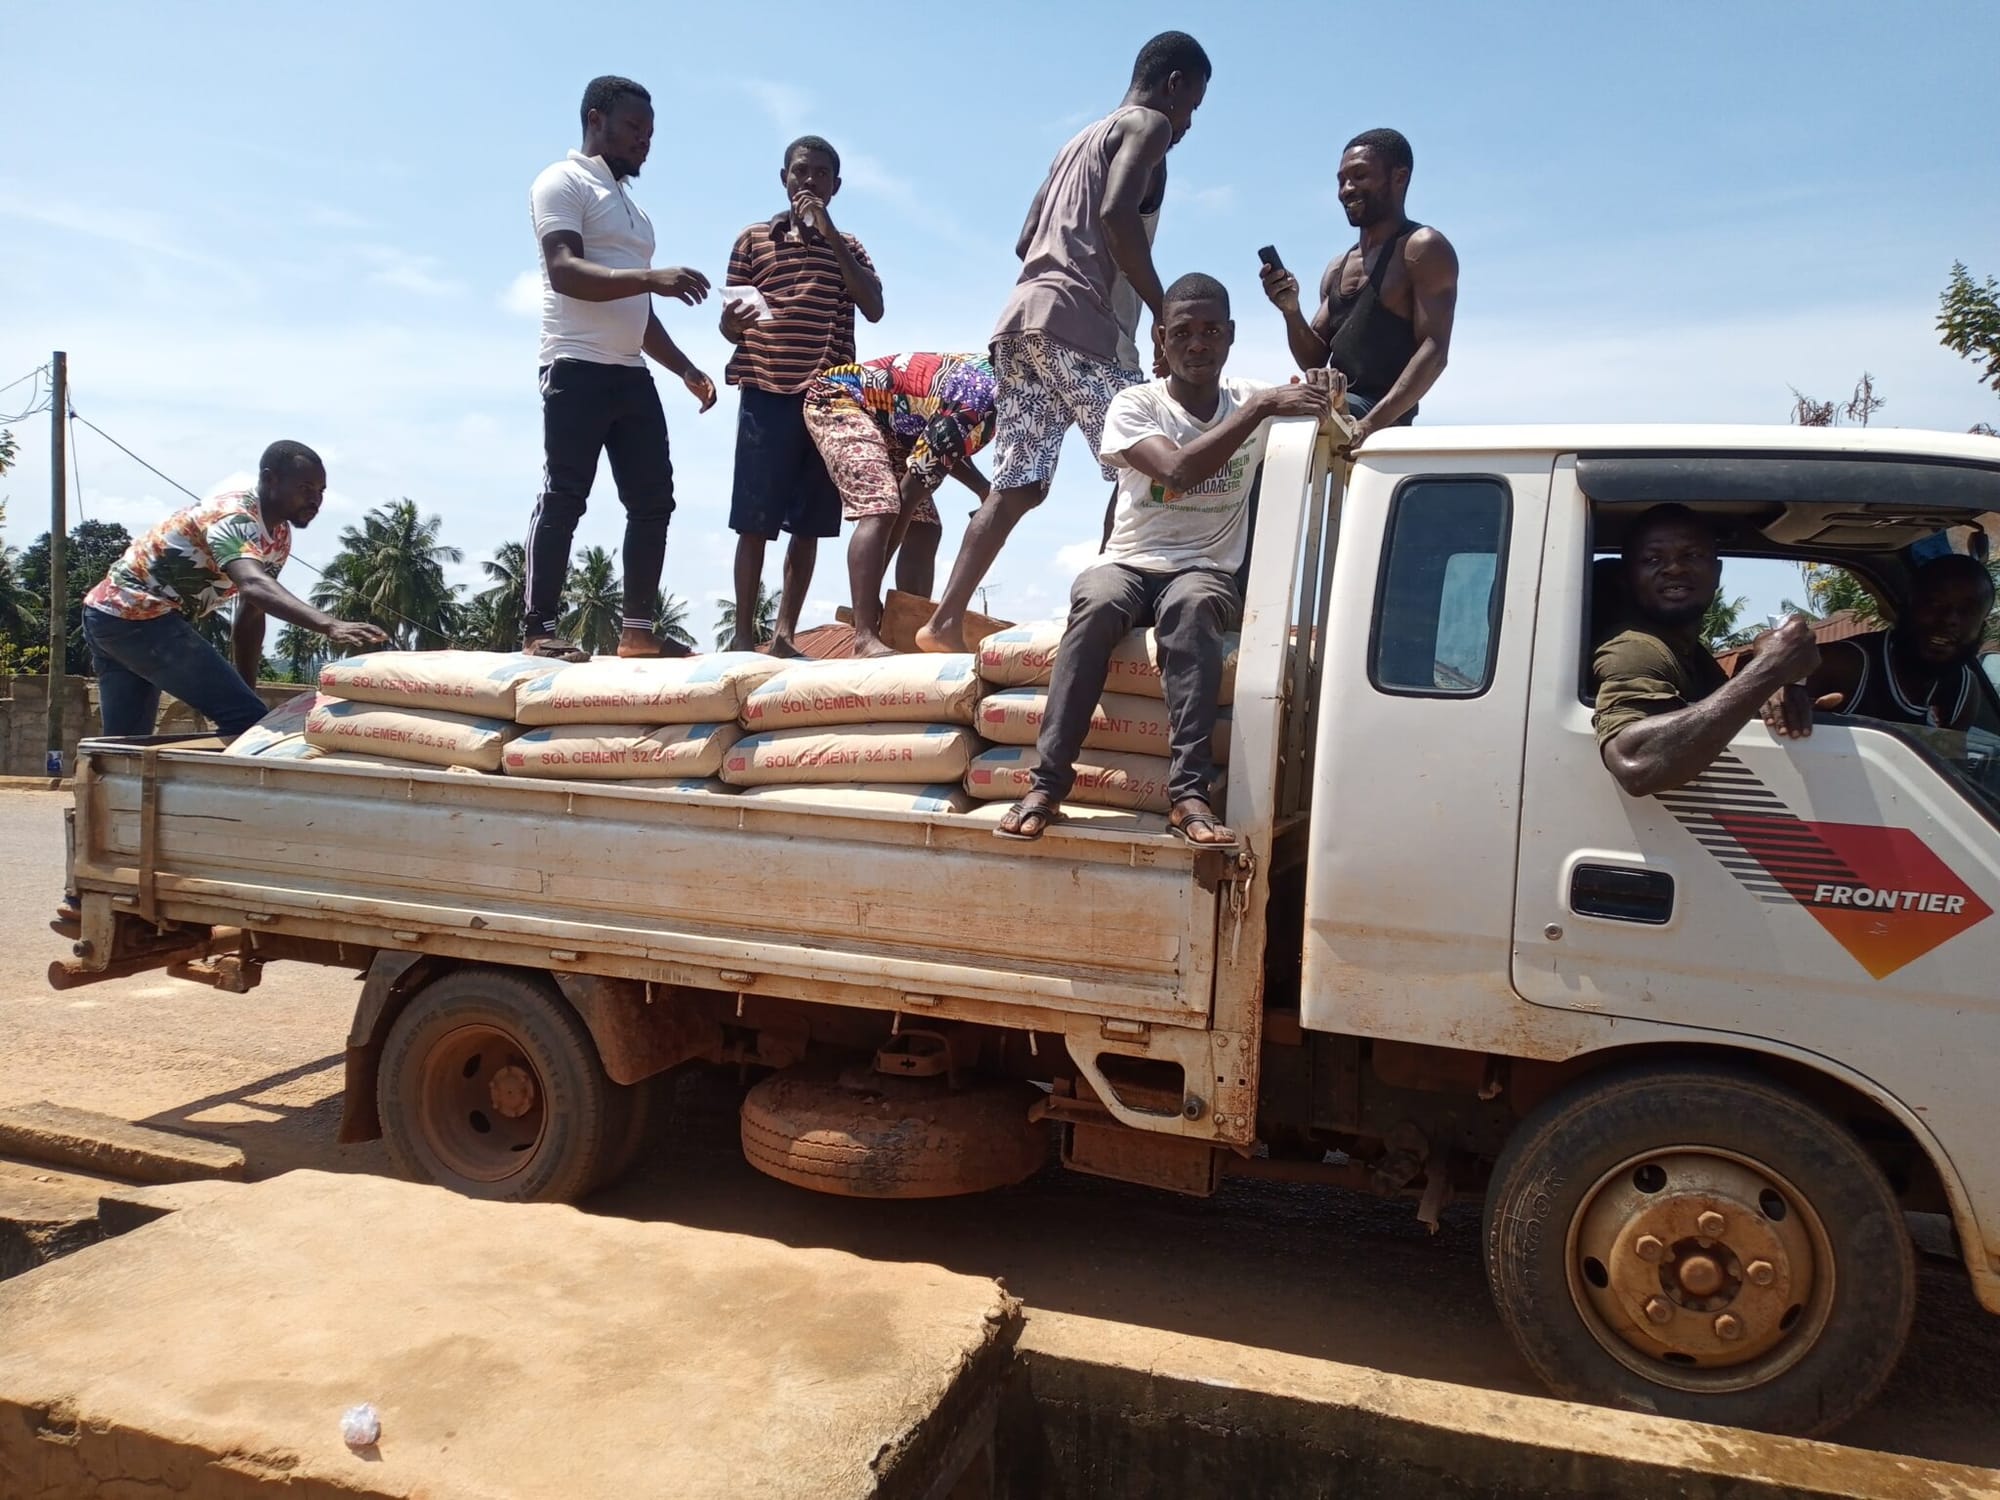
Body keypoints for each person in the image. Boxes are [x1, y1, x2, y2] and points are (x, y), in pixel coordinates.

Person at [994, 273, 1335, 844]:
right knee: (1096, 601)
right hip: (1130, 562)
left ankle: (1188, 796)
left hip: (1204, 569)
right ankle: (1047, 783)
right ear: (1160, 340)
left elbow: (1322, 411)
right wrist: (1260, 409)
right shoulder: (1136, 405)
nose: (1197, 344)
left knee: (1196, 605)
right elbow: (1177, 471)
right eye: (1183, 333)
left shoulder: (1253, 399)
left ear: (1230, 336)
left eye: (1210, 332)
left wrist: (1328, 388)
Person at [917, 32, 1212, 654]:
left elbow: (1026, 237)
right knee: (1141, 466)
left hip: (1021, 324)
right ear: (1175, 84)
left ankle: (943, 621)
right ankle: (1111, 612)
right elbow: (1115, 213)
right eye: (1193, 107)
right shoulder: (1149, 126)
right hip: (1082, 325)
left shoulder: (1077, 140)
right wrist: (1164, 316)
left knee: (1019, 483)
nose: (1187, 126)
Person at [523, 75, 717, 662]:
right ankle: (538, 631)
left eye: (650, 133)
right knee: (565, 495)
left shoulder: (632, 209)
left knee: (653, 500)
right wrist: (651, 278)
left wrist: (685, 369)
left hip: (631, 371)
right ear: (595, 119)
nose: (644, 142)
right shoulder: (562, 181)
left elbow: (639, 313)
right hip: (575, 363)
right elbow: (564, 270)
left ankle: (636, 631)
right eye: (635, 128)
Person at [81, 441, 389, 738]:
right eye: (305, 489)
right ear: (271, 480)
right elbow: (253, 585)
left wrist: (245, 688)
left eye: (320, 491)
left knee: (125, 744)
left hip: (111, 618)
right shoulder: (234, 515)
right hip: (136, 617)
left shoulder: (278, 538)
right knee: (246, 721)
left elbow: (252, 613)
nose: (315, 500)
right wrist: (330, 624)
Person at [720, 135, 883, 656]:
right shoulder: (752, 240)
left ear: (835, 187)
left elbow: (874, 306)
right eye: (799, 172)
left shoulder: (849, 246)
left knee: (808, 524)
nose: (808, 182)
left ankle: (784, 635)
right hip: (764, 388)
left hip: (824, 397)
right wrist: (728, 323)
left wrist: (830, 236)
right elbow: (731, 324)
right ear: (784, 177)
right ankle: (744, 636)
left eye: (820, 175)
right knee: (753, 521)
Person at [1594, 504, 1821, 796]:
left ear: (1717, 572)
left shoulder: (1688, 651)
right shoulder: (1634, 650)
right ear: (1627, 578)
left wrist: (1778, 694)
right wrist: (1769, 670)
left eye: (1692, 555)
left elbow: (1719, 709)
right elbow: (1636, 764)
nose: (1674, 568)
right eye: (1652, 559)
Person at [1257, 128, 1459, 440]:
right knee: (1252, 412)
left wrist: (1368, 426)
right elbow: (1313, 358)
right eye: (1341, 180)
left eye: (1360, 176)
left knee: (1280, 419)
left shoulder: (1422, 248)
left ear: (1399, 177)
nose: (1346, 189)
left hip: (1382, 414)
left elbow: (1434, 352)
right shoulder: (1338, 266)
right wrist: (1290, 310)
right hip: (1335, 403)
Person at [802, 352, 998, 657]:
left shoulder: (994, 394)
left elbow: (945, 446)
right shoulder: (979, 396)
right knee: (883, 508)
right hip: (840, 399)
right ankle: (865, 636)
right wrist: (870, 598)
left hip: (895, 428)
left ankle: (905, 628)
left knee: (925, 528)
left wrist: (984, 489)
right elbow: (909, 494)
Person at [1760, 553, 1996, 737]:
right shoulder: (1849, 664)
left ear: (1982, 623)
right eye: (1935, 604)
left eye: (1967, 611)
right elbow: (1770, 646)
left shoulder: (1963, 692)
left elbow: (1952, 773)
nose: (1949, 619)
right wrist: (1779, 681)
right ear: (1910, 604)